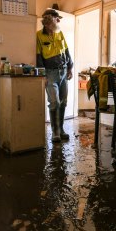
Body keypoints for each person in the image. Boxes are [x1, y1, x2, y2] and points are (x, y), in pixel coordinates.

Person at [36, 9, 73, 143]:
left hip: (63, 71)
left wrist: (70, 68)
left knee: (63, 102)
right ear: (48, 21)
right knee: (54, 102)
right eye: (57, 19)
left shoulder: (60, 33)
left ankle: (61, 130)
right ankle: (55, 132)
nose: (59, 21)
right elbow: (38, 57)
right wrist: (43, 75)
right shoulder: (39, 36)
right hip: (50, 73)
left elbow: (67, 51)